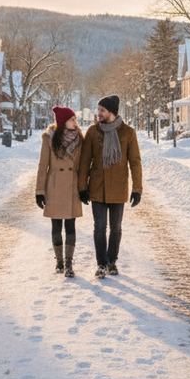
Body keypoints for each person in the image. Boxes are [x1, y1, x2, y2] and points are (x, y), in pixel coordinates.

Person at [78, 95, 142, 279]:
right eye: (98, 110)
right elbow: (84, 162)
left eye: (102, 110)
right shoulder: (92, 132)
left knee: (116, 227)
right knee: (99, 227)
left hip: (118, 187)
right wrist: (82, 187)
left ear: (112, 112)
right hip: (97, 187)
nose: (98, 114)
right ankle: (101, 263)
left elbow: (135, 162)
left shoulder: (128, 133)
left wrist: (137, 188)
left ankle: (112, 261)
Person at [35, 105, 83, 278]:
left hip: (71, 185)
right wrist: (39, 190)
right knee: (56, 226)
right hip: (54, 186)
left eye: (75, 119)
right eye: (72, 119)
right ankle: (59, 262)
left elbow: (83, 166)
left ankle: (69, 264)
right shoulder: (49, 138)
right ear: (63, 122)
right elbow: (43, 165)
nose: (75, 123)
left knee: (70, 226)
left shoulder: (79, 138)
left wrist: (83, 187)